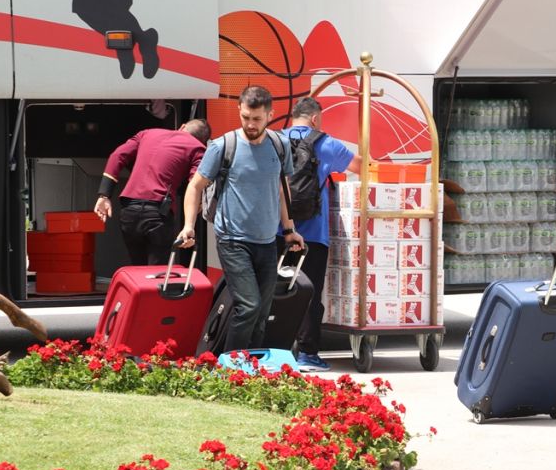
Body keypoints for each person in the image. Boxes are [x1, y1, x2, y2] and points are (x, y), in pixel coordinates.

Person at [176, 86, 304, 352]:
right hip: (233, 240)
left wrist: (289, 228)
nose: (250, 124)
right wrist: (189, 226)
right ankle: (231, 367)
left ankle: (250, 369)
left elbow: (282, 189)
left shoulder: (279, 145)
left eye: (256, 119)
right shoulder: (224, 146)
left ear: (270, 114)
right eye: (245, 117)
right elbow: (195, 186)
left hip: (268, 240)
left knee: (261, 313)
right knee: (249, 306)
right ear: (240, 111)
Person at [281, 97, 362, 371]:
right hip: (313, 234)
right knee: (309, 294)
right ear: (315, 118)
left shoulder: (275, 140)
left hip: (277, 231)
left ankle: (278, 349)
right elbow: (361, 167)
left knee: (278, 291)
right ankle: (308, 355)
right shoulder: (326, 144)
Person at [94, 119, 211, 266]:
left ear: (182, 127)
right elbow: (195, 184)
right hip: (158, 215)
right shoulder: (198, 149)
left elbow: (117, 156)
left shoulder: (147, 133)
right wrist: (194, 213)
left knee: (138, 269)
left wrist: (104, 194)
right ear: (203, 141)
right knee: (155, 273)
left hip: (128, 211)